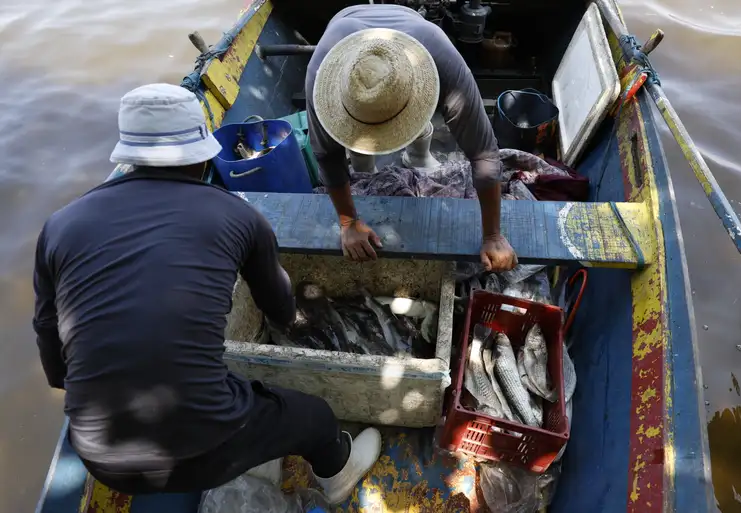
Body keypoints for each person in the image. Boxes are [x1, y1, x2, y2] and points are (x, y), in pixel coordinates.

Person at [31, 83, 381, 504]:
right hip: (206, 446)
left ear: (125, 154)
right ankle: (337, 475)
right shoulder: (240, 215)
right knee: (318, 417)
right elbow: (282, 312)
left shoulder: (58, 226)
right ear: (202, 155)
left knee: (226, 385)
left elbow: (56, 368)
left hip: (98, 456)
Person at [306, 4, 517, 271]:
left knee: (410, 124)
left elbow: (484, 155)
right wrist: (348, 223)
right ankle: (363, 163)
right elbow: (327, 157)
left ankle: (416, 154)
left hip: (414, 33)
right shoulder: (320, 78)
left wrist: (493, 236)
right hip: (344, 23)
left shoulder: (444, 63)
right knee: (360, 159)